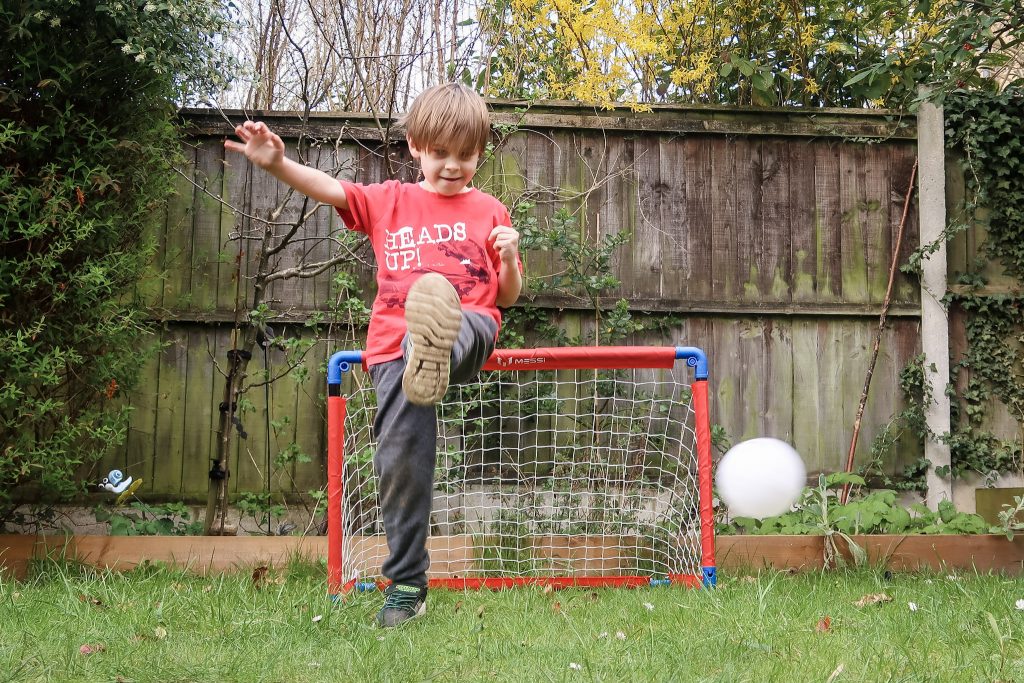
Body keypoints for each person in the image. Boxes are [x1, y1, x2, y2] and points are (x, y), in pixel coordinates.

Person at [225, 83, 522, 627]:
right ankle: (407, 584)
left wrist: (510, 258)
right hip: (394, 351)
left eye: (465, 155)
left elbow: (506, 298)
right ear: (414, 147)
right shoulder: (391, 200)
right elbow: (330, 188)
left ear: (481, 153)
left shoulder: (488, 209)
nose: (453, 166)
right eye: (440, 153)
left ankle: (434, 341)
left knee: (459, 324)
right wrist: (276, 165)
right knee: (400, 462)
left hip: (474, 326)